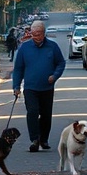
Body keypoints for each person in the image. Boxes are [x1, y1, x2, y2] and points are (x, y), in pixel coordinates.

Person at [12, 20, 66, 152]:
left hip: (47, 87)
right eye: (33, 34)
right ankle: (34, 139)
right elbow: (18, 68)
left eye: (38, 34)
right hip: (30, 87)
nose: (36, 37)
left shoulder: (52, 47)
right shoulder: (25, 48)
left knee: (46, 114)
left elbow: (60, 63)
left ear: (44, 33)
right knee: (32, 112)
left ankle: (44, 139)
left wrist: (55, 76)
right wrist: (16, 86)